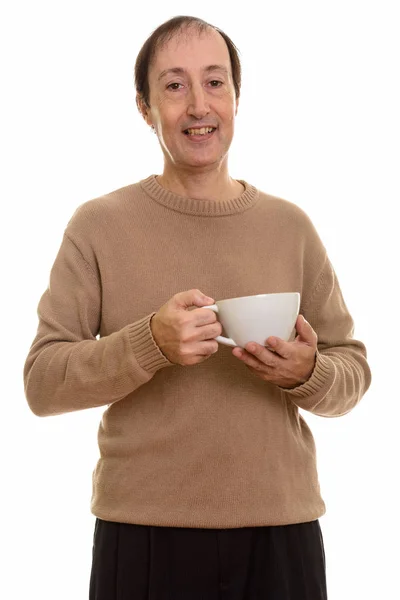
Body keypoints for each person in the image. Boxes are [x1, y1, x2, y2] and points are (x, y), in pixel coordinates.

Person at [23, 15, 371, 600]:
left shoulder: (290, 227)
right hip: (143, 534)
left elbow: (353, 371)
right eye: (174, 85)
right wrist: (149, 344)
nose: (199, 105)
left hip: (281, 531)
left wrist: (308, 373)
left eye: (215, 82)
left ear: (237, 97)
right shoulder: (98, 226)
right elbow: (42, 384)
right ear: (144, 106)